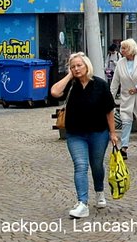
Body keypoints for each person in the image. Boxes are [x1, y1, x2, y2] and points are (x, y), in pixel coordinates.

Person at [50, 52, 117, 219]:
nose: (76, 68)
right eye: (73, 66)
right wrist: (68, 77)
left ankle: (99, 192)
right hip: (75, 134)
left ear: (87, 65)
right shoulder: (71, 85)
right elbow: (54, 92)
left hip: (98, 133)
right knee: (80, 165)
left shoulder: (100, 85)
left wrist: (113, 133)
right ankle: (82, 203)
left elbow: (109, 110)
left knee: (96, 165)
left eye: (79, 65)